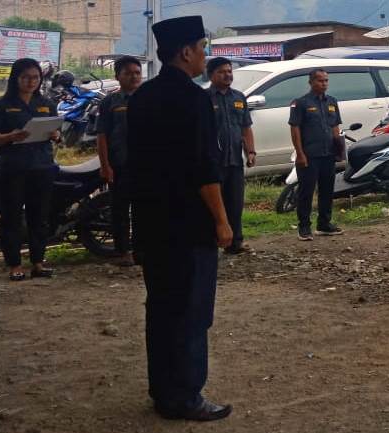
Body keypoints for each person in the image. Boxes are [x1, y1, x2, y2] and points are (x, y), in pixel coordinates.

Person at [126, 16, 234, 421]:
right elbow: (204, 169)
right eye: (202, 48)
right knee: (190, 312)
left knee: (161, 308)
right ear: (186, 52)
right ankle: (187, 396)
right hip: (188, 224)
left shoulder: (142, 97)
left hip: (152, 220)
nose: (205, 56)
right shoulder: (193, 99)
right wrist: (222, 220)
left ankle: (163, 391)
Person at [0, 58, 60, 282]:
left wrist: (56, 135)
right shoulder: (1, 105)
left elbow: (56, 132)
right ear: (16, 78)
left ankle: (38, 262)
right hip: (11, 168)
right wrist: (9, 137)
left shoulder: (46, 103)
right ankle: (14, 264)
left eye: (35, 77)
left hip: (41, 167)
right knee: (11, 217)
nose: (31, 82)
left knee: (39, 216)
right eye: (26, 77)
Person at [206, 57, 257, 254]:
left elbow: (246, 127)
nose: (227, 75)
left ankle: (235, 242)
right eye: (222, 72)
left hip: (234, 159)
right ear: (211, 75)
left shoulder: (239, 97)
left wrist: (250, 151)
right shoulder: (204, 98)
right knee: (212, 204)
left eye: (229, 71)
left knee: (235, 203)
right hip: (213, 162)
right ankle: (211, 242)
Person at [96, 55, 142, 266]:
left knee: (144, 210)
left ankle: (142, 250)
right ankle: (123, 251)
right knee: (120, 210)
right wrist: (105, 165)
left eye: (137, 73)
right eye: (128, 73)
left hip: (145, 166)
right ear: (117, 76)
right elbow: (102, 136)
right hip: (120, 164)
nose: (134, 77)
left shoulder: (148, 98)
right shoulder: (109, 102)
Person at [289, 69, 344, 241]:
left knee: (327, 190)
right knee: (306, 192)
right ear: (311, 82)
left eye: (326, 80)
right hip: (309, 155)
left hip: (328, 154)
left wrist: (339, 149)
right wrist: (300, 154)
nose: (324, 84)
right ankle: (304, 227)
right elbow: (295, 129)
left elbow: (335, 126)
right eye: (320, 81)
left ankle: (324, 224)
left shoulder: (332, 101)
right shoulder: (301, 103)